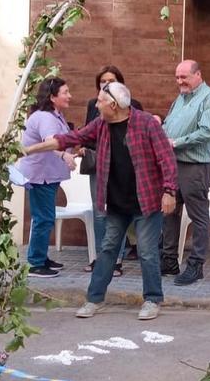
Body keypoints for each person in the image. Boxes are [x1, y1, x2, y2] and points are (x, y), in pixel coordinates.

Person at [25, 82, 177, 320]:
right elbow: (69, 138)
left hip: (145, 201)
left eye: (100, 101)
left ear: (113, 105)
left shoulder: (146, 123)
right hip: (116, 202)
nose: (96, 105)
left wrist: (169, 192)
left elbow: (167, 159)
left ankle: (153, 299)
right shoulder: (101, 125)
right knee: (107, 249)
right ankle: (94, 299)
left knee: (147, 252)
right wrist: (29, 149)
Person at [161, 60, 210, 285]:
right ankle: (169, 260)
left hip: (195, 167)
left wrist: (176, 142)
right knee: (168, 212)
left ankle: (196, 265)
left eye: (184, 77)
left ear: (198, 74)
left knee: (198, 216)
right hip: (173, 165)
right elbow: (168, 125)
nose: (180, 82)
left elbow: (207, 131)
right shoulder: (180, 99)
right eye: (177, 77)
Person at [83, 66, 144, 276]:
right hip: (98, 164)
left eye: (111, 80)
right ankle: (101, 258)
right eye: (102, 81)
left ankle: (116, 260)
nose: (106, 84)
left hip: (121, 169)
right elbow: (86, 133)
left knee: (119, 212)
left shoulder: (132, 106)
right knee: (99, 213)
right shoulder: (93, 104)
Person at [17, 78, 77, 278]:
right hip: (40, 175)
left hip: (48, 176)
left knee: (45, 217)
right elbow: (51, 142)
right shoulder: (45, 117)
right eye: (65, 92)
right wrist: (64, 155)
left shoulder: (55, 115)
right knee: (43, 219)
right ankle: (35, 263)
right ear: (52, 97)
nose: (69, 96)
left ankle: (41, 257)